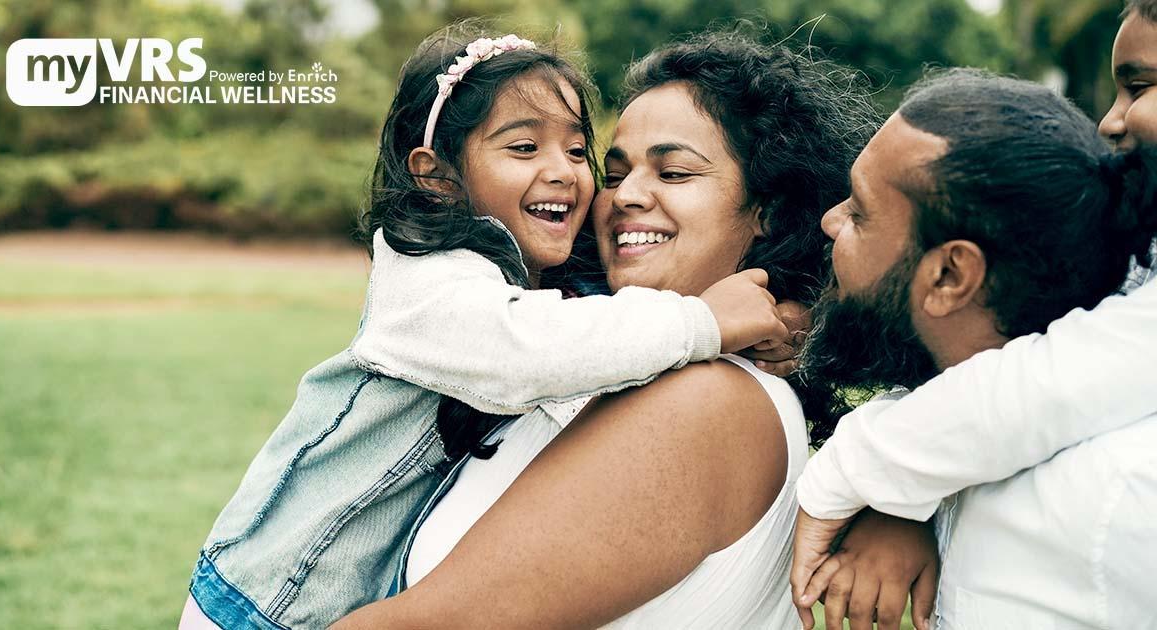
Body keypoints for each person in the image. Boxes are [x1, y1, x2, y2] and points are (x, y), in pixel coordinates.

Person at [180, 25, 796, 629]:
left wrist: (786, 313)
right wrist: (704, 320)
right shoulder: (429, 284)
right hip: (265, 601)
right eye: (524, 148)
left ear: (767, 209)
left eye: (577, 152)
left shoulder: (646, 356)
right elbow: (531, 350)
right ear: (436, 176)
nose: (573, 176)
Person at [331, 31, 880, 628]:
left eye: (674, 172)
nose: (625, 197)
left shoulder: (706, 401)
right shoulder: (606, 354)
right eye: (614, 175)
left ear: (767, 211)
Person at [790, 68, 1157, 629]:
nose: (829, 221)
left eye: (859, 213)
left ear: (949, 276)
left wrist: (859, 475)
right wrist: (900, 498)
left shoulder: (1118, 500)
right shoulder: (955, 443)